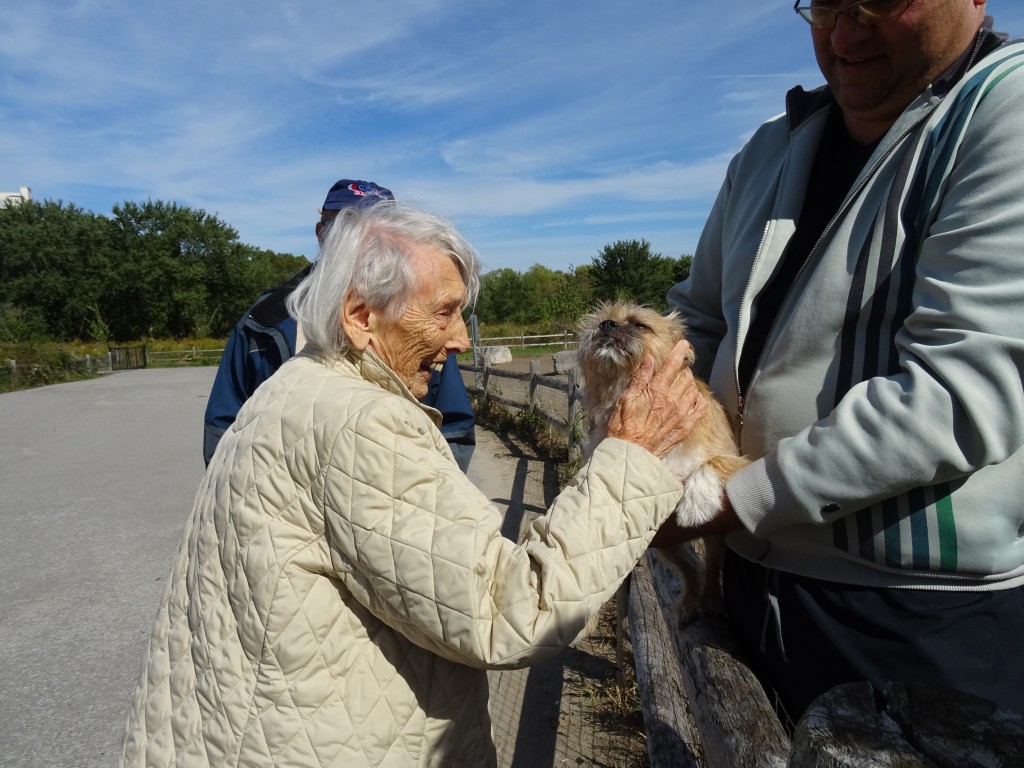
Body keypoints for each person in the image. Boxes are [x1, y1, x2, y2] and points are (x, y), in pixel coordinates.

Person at [120, 202, 709, 767]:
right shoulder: (359, 423)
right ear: (359, 317)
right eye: (445, 312)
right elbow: (513, 612)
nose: (462, 343)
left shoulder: (296, 386)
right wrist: (631, 458)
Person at [660, 0, 1024, 724]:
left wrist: (724, 502)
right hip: (746, 574)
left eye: (884, 1)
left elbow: (964, 389)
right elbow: (696, 318)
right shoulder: (771, 147)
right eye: (826, 5)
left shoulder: (1001, 111)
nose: (848, 33)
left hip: (908, 611)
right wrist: (640, 437)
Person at [202, 178, 477, 472]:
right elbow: (224, 427)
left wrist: (422, 498)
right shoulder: (264, 320)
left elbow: (453, 426)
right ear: (321, 232)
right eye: (345, 229)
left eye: (376, 230)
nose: (358, 243)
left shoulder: (420, 322)